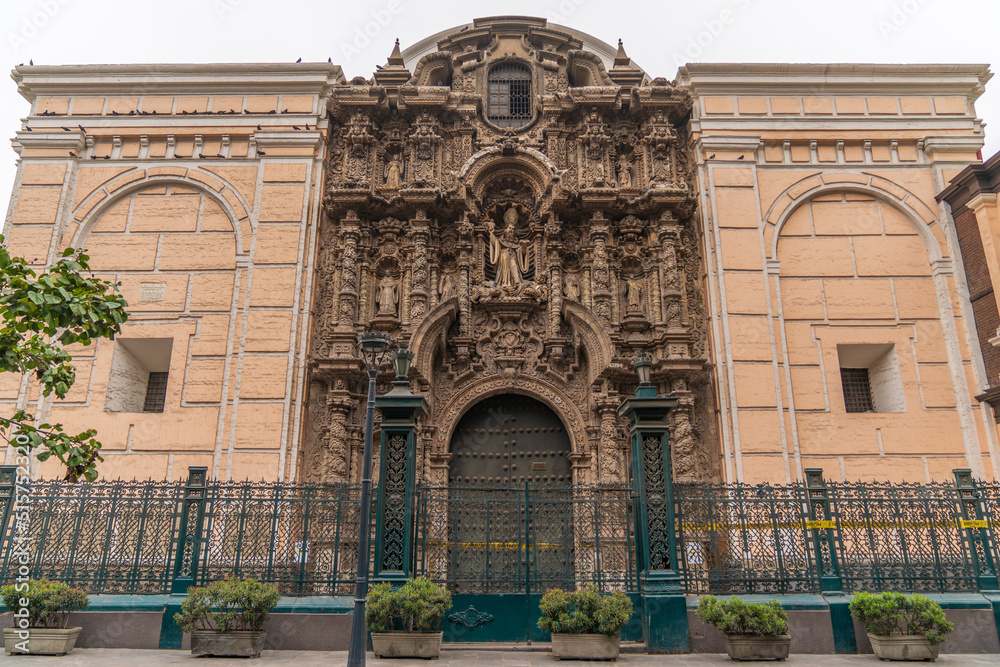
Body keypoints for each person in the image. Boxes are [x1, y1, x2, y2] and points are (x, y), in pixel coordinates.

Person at [486, 207, 530, 286]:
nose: (511, 231)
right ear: (505, 230)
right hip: (503, 258)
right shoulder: (500, 241)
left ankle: (516, 283)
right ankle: (504, 283)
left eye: (513, 229)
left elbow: (521, 253)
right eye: (510, 228)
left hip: (513, 257)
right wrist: (491, 231)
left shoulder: (516, 244)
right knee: (505, 267)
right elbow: (494, 242)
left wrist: (523, 247)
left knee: (514, 266)